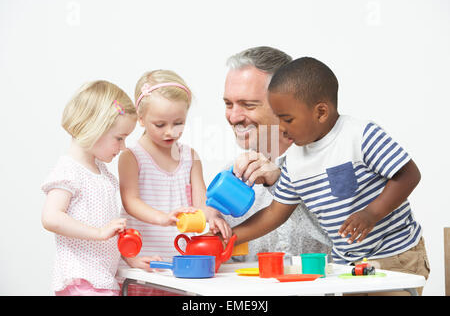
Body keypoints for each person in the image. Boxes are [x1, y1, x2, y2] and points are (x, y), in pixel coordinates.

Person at [232, 57, 430, 295]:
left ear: (321, 112)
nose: (281, 128)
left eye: (287, 119)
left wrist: (371, 213)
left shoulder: (360, 135)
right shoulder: (294, 161)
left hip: (394, 254)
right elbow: (275, 213)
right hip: (348, 264)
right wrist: (230, 237)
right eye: (278, 118)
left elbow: (409, 174)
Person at [118, 69, 232, 295]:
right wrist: (163, 218)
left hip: (183, 267)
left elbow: (202, 202)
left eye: (178, 123)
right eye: (160, 125)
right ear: (140, 119)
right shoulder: (131, 156)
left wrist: (214, 218)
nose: (170, 132)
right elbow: (130, 201)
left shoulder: (190, 156)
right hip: (144, 266)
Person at [223, 46, 332, 262]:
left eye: (248, 105)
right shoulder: (232, 177)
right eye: (228, 104)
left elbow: (352, 243)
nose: (234, 117)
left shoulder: (333, 161)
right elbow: (228, 260)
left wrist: (279, 185)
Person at [41, 80, 137, 296]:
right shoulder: (69, 170)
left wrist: (132, 259)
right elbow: (51, 217)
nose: (123, 147)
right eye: (119, 138)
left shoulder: (103, 173)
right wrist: (99, 232)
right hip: (82, 281)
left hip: (101, 280)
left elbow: (108, 234)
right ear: (95, 129)